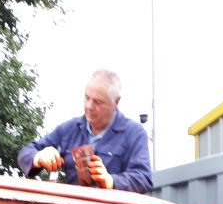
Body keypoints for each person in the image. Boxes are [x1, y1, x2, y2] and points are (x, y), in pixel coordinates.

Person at [17, 69, 152, 194]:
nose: (89, 106)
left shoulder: (134, 133)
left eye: (97, 102)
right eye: (87, 98)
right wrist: (38, 158)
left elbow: (143, 178)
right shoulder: (68, 129)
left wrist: (110, 181)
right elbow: (26, 152)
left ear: (116, 102)